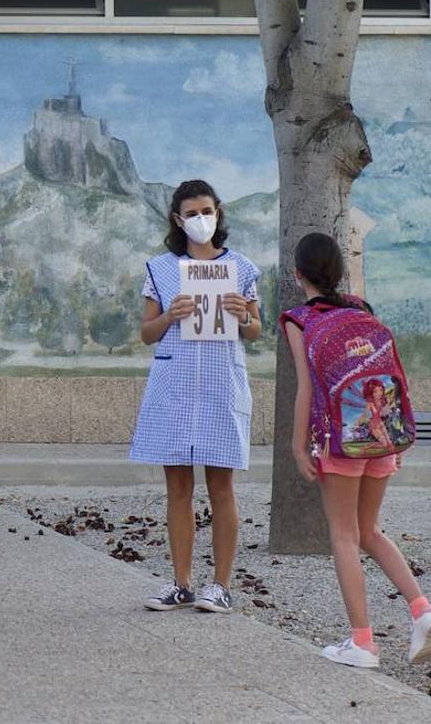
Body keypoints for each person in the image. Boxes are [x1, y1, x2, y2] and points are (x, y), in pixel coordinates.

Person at [282, 232, 431, 669]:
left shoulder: (300, 320)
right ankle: (421, 609)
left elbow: (306, 389)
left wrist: (299, 448)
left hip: (340, 443)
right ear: (340, 273)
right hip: (382, 436)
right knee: (370, 531)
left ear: (299, 276)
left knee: (345, 535)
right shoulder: (362, 311)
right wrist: (395, 435)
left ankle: (363, 642)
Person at [130, 180, 262, 613]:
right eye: (191, 213)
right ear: (177, 219)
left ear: (218, 213)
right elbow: (147, 333)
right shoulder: (161, 269)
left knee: (221, 486)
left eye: (207, 210)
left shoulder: (241, 268)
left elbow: (256, 329)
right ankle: (181, 582)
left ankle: (220, 585)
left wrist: (244, 316)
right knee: (178, 486)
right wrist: (172, 314)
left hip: (221, 384)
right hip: (175, 386)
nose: (200, 219)